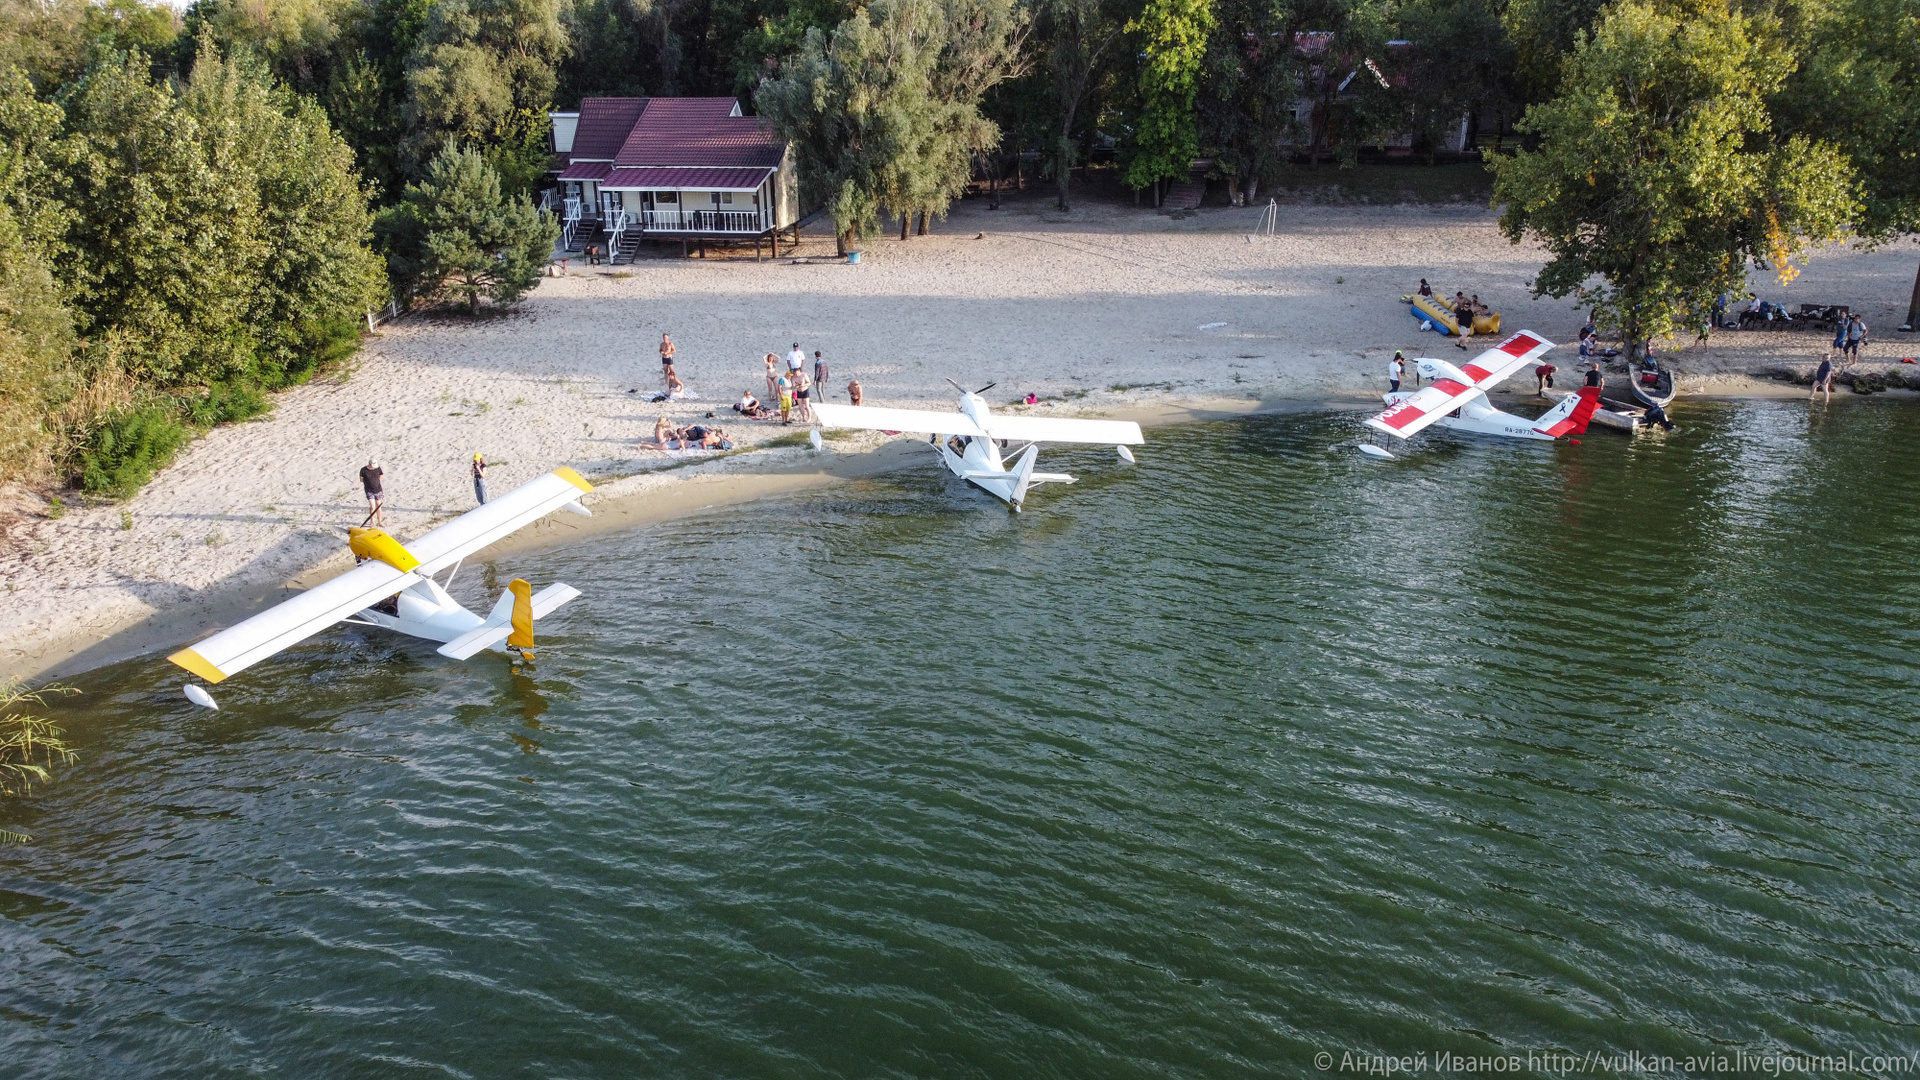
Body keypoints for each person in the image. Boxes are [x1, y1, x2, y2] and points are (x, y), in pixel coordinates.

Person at [359, 458, 384, 527]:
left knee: (378, 505)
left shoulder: (378, 468)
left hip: (378, 489)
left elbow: (380, 475)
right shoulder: (363, 470)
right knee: (372, 506)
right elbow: (361, 480)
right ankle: (372, 521)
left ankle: (379, 521)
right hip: (369, 490)